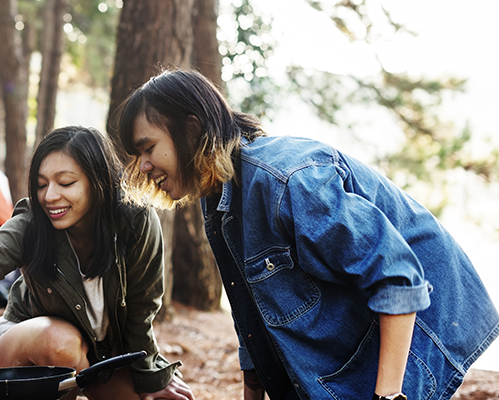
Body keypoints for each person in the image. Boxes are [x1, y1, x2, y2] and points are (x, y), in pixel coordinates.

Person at [115, 69, 499, 400]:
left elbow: (397, 278)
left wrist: (388, 397)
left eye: (149, 148)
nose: (143, 166)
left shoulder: (290, 181)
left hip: (421, 322)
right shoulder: (216, 198)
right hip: (356, 335)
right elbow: (252, 315)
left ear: (192, 127)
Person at [0, 126, 194, 399]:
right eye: (41, 185)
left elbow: (141, 314)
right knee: (60, 343)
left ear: (98, 182)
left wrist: (152, 379)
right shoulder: (32, 222)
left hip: (100, 358)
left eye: (65, 183)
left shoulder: (136, 222)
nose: (50, 196)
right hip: (30, 352)